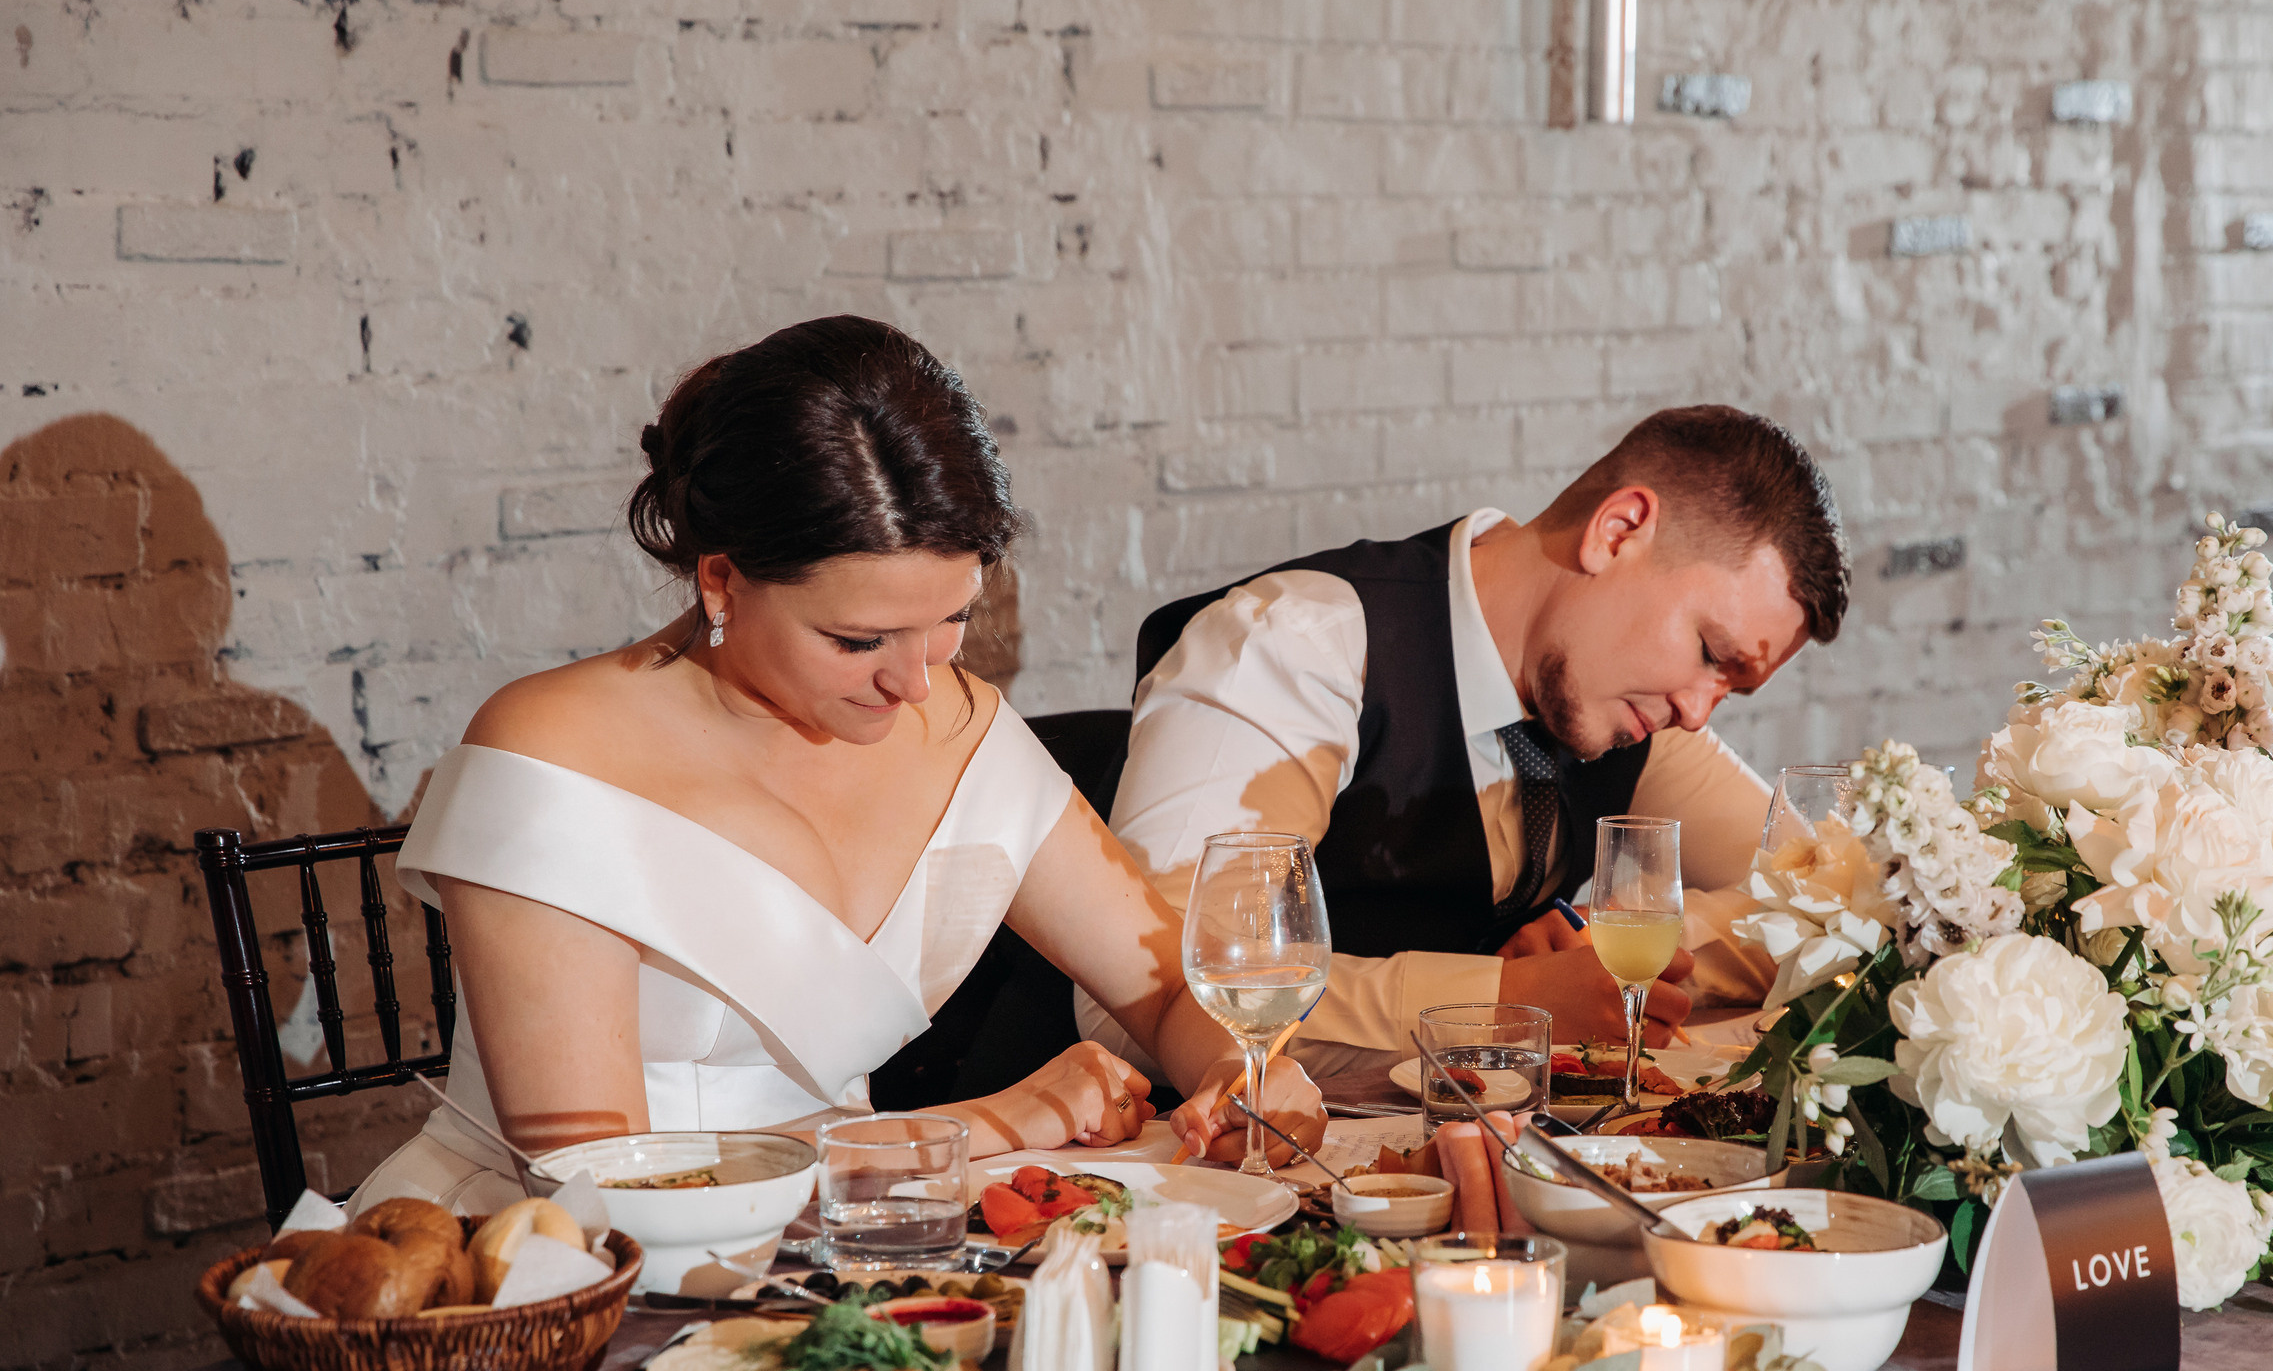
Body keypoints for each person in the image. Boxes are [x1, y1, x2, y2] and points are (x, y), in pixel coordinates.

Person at [353, 316, 1320, 1214]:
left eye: (951, 621)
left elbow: (1164, 984)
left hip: (850, 1245)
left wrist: (1249, 1071)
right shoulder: (551, 750)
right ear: (722, 579)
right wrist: (985, 1127)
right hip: (540, 1279)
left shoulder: (955, 726)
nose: (914, 682)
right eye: (860, 639)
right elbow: (599, 1185)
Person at [1081, 406, 1848, 1084]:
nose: (1697, 709)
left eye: (1729, 689)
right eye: (1711, 653)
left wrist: (1608, 951)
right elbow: (1139, 999)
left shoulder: (1629, 711)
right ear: (1618, 532)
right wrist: (1505, 1001)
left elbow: (1829, 903)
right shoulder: (1296, 648)